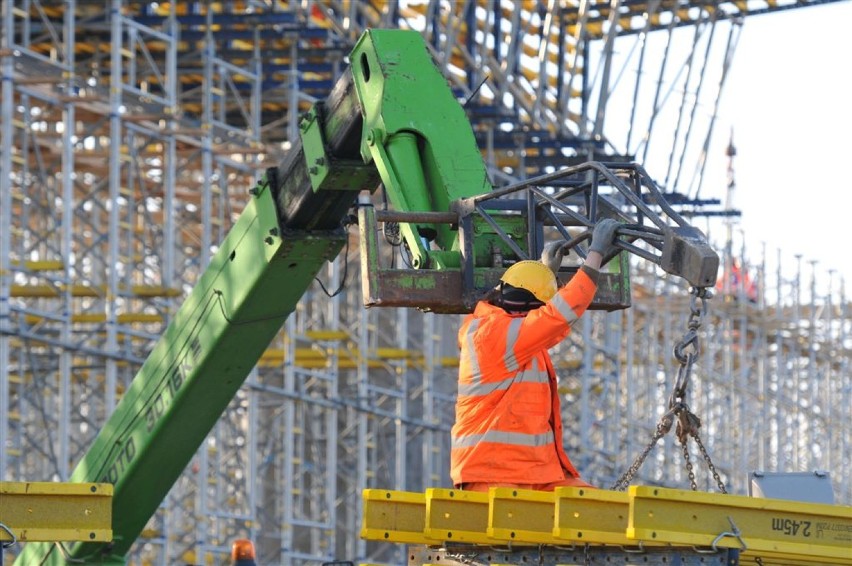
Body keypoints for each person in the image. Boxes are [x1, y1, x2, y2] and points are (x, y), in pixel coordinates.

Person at [450, 219, 622, 492]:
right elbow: (557, 316)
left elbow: (549, 326)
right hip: (494, 475)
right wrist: (595, 256)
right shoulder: (495, 335)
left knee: (600, 512)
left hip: (530, 472)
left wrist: (544, 274)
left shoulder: (501, 329)